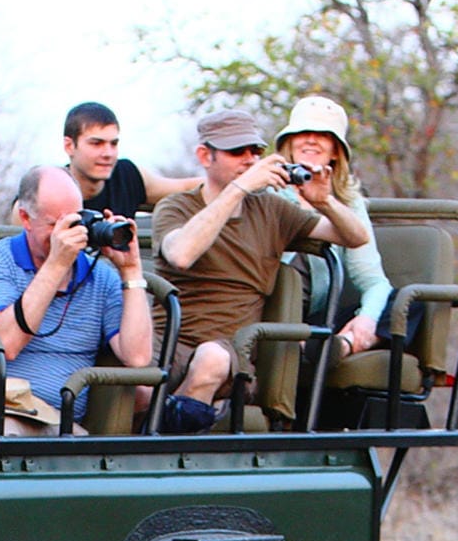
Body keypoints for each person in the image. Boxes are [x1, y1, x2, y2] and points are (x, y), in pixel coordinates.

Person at [152, 108, 369, 409]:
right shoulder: (176, 207)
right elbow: (181, 255)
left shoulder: (271, 210)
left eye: (255, 151)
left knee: (210, 361)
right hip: (168, 338)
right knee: (134, 379)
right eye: (236, 151)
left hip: (228, 350)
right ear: (205, 156)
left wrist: (324, 201)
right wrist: (238, 190)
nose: (250, 160)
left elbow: (356, 236)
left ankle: (170, 436)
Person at [0, 166, 150, 437]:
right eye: (55, 224)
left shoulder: (100, 276)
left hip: (55, 419)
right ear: (25, 218)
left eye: (74, 222)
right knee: (4, 432)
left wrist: (131, 270)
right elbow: (4, 344)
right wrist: (56, 265)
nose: (65, 234)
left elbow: (137, 358)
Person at [272, 95, 397, 360]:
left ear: (335, 150)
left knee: (408, 304)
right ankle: (306, 346)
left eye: (322, 135)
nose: (311, 140)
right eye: (302, 132)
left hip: (318, 317)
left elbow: (373, 281)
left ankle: (343, 346)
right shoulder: (269, 187)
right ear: (289, 143)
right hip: (273, 306)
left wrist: (366, 319)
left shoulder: (348, 201)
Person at [62, 101, 198, 218]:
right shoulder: (51, 189)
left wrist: (219, 189)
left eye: (113, 144)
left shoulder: (126, 176)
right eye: (96, 144)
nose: (108, 153)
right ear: (69, 146)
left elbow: (183, 188)